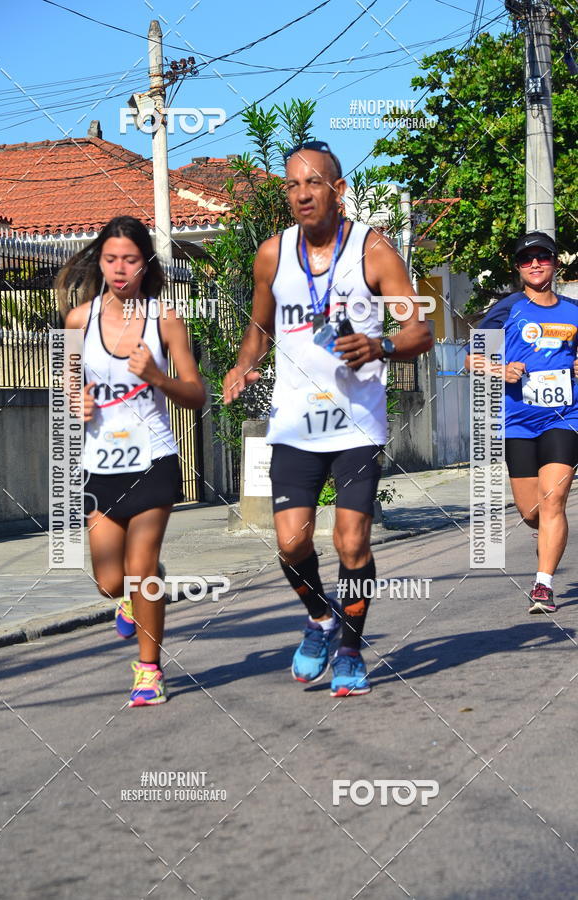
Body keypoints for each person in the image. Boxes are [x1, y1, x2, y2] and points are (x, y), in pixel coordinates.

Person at [223, 141, 432, 697]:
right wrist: (244, 366)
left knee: (351, 542)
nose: (301, 194)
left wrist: (381, 345)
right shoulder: (272, 254)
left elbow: (421, 332)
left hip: (356, 422)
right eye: (291, 185)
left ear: (338, 190)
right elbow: (259, 330)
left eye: (312, 183)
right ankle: (319, 617)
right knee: (290, 543)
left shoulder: (374, 250)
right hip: (294, 421)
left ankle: (350, 650)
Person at [58, 215, 206, 705]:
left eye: (130, 260)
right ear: (99, 262)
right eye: (111, 259)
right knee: (109, 581)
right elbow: (67, 387)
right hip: (100, 464)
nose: (120, 269)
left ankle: (149, 670)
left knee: (139, 568)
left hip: (154, 459)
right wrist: (74, 400)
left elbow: (196, 395)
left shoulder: (165, 320)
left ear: (145, 264)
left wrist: (157, 377)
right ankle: (140, 590)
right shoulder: (78, 321)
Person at [465, 231, 578, 614]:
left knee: (554, 500)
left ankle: (543, 584)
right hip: (519, 423)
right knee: (532, 512)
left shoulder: (573, 312)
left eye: (542, 258)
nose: (534, 265)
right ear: (518, 268)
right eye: (526, 260)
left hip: (565, 418)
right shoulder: (508, 308)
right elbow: (470, 359)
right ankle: (546, 535)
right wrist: (500, 369)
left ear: (554, 263)